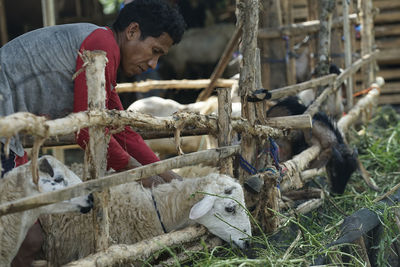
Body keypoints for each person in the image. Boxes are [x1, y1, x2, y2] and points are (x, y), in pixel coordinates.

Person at [0, 0, 186, 265]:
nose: (154, 64)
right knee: (25, 238)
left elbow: (121, 130)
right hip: (3, 124)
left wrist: (168, 175)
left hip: (9, 132)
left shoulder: (104, 51)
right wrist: (136, 172)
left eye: (160, 56)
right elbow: (88, 132)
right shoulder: (102, 45)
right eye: (154, 51)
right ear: (132, 31)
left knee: (28, 237)